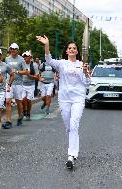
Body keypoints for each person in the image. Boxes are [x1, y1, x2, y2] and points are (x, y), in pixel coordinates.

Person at [36, 35, 91, 169]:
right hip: (64, 99)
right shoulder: (61, 63)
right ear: (66, 51)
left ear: (77, 51)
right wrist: (47, 44)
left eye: (74, 48)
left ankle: (71, 156)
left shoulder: (82, 65)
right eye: (69, 48)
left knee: (74, 124)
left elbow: (87, 83)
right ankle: (73, 147)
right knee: (68, 127)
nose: (72, 50)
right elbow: (48, 59)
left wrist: (85, 72)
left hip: (78, 99)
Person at [3, 43, 26, 128]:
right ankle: (9, 121)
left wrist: (17, 72)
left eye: (14, 49)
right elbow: (5, 69)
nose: (12, 50)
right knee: (8, 101)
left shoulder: (21, 59)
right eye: (11, 49)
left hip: (18, 84)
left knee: (18, 101)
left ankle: (20, 117)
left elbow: (26, 71)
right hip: (9, 83)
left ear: (17, 50)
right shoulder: (7, 59)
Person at [0, 48, 13, 138]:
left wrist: (9, 83)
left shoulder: (6, 66)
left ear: (1, 56)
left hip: (1, 91)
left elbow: (12, 75)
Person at [22, 51, 38, 120]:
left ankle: (28, 113)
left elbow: (37, 77)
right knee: (23, 99)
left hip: (31, 85)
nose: (25, 57)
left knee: (28, 100)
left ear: (30, 57)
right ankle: (24, 110)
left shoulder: (34, 65)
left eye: (26, 56)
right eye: (24, 56)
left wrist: (29, 75)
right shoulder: (22, 64)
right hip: (22, 84)